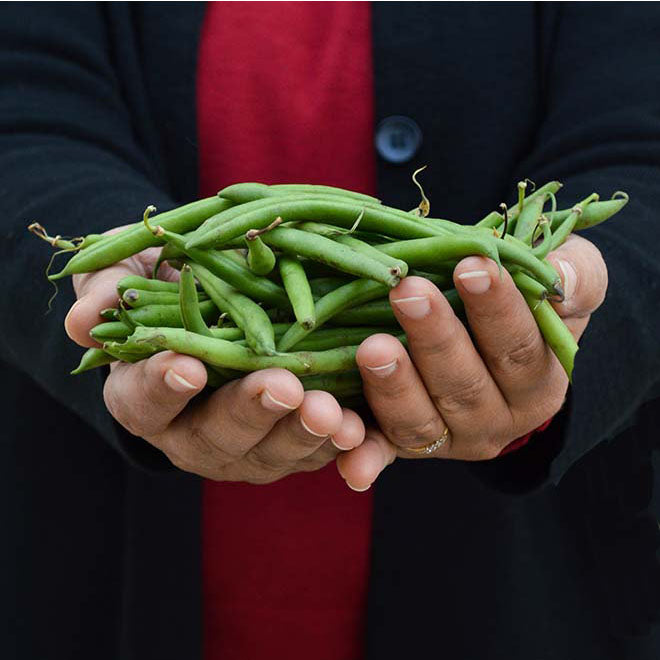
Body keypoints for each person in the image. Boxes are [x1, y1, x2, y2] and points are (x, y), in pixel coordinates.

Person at [1, 3, 659, 659]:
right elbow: (24, 117)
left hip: (530, 587)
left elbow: (640, 149)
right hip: (93, 560)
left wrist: (573, 313)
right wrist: (111, 263)